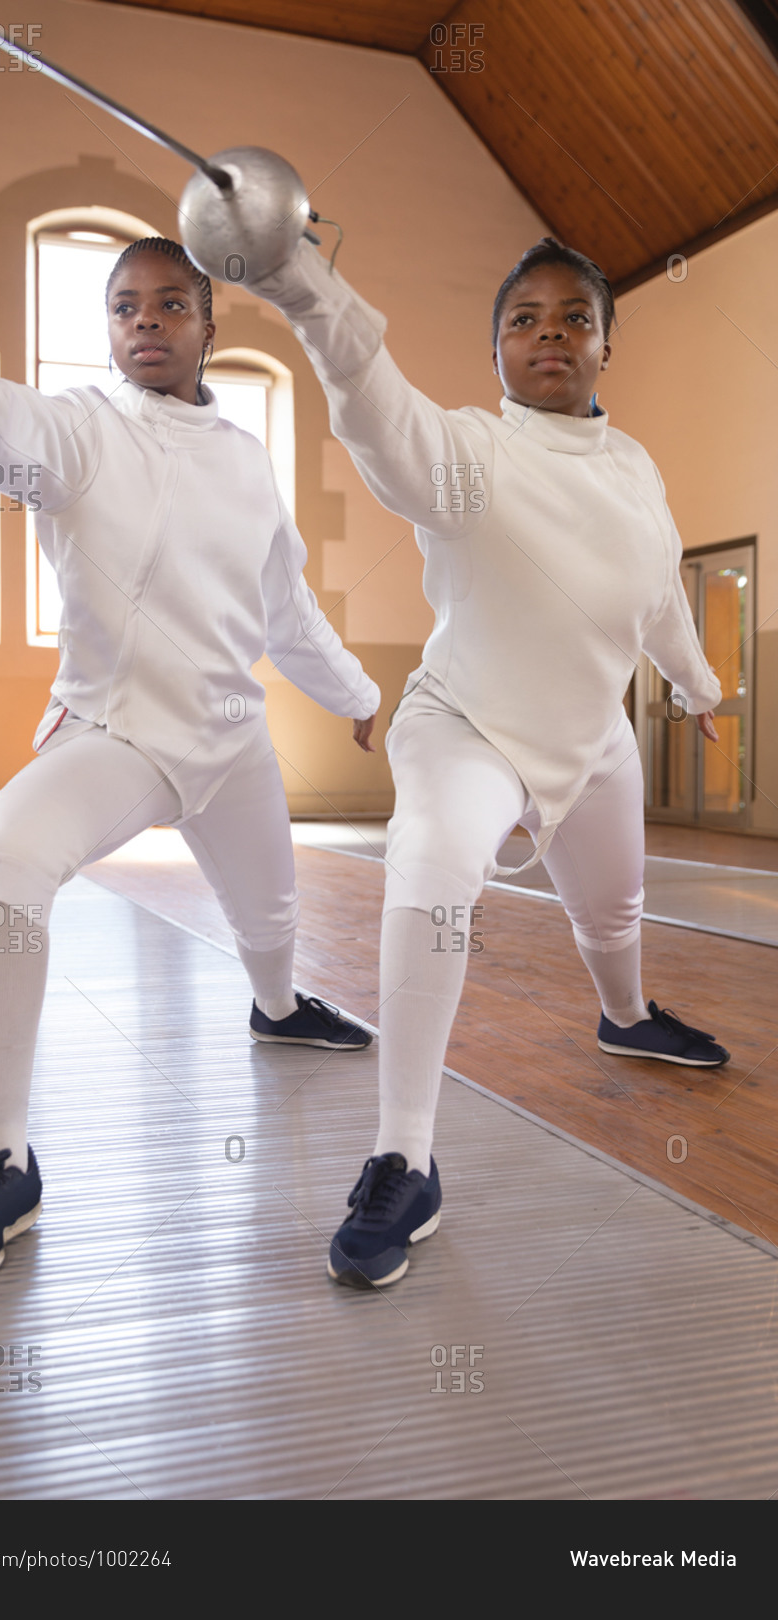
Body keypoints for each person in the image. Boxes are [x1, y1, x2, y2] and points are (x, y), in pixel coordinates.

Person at [0, 237, 380, 1287]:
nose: (145, 323)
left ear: (211, 321)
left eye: (168, 304)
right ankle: (2, 1159)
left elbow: (286, 609)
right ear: (108, 329)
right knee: (8, 845)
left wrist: (361, 698)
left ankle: (280, 1010)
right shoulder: (78, 433)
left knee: (272, 922)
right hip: (121, 734)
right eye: (124, 308)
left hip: (232, 736)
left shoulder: (249, 460)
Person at [245, 232, 729, 1288]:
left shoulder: (636, 464)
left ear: (604, 344)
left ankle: (625, 1017)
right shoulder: (468, 451)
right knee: (432, 869)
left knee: (612, 910)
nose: (549, 334)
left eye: (572, 319)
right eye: (524, 320)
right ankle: (402, 1157)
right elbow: (377, 409)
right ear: (495, 350)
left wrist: (697, 688)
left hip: (592, 732)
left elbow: (654, 598)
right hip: (466, 724)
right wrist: (307, 287)